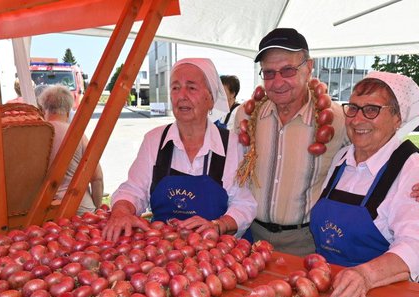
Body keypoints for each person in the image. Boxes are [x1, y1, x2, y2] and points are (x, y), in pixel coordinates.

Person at [237, 28, 419, 256]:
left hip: (308, 244)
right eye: (269, 73)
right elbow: (233, 175)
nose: (278, 82)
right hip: (252, 238)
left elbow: (385, 151)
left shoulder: (341, 119)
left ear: (308, 68)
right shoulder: (246, 117)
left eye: (288, 70)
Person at [310, 72, 419, 297]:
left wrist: (366, 276)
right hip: (333, 292)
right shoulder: (341, 159)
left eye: (371, 109)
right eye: (353, 108)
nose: (358, 119)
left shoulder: (410, 168)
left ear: (397, 117)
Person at [103, 58, 257, 242]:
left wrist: (218, 225)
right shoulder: (154, 140)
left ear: (211, 99)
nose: (181, 95)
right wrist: (121, 211)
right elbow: (134, 190)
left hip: (216, 254)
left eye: (191, 88)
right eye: (175, 88)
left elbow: (244, 203)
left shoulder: (232, 145)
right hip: (164, 252)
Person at [37, 85, 104, 215]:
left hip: (41, 211)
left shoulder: (36, 133)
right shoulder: (77, 135)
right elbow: (97, 178)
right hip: (78, 207)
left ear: (44, 109)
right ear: (68, 110)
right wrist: (97, 209)